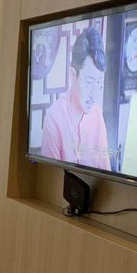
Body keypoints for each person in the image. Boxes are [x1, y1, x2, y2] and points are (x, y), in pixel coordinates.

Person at [41, 26, 112, 170]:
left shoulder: (97, 115)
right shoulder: (54, 119)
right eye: (89, 82)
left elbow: (106, 171)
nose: (94, 94)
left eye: (99, 83)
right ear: (73, 75)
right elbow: (50, 176)